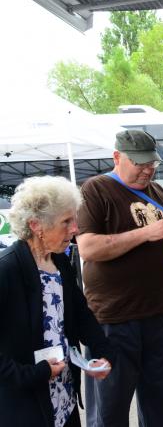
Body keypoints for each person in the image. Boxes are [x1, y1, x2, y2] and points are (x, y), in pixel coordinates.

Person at [76, 129, 163, 426]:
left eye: (152, 164)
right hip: (114, 320)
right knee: (109, 411)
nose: (147, 170)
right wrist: (147, 232)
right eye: (140, 163)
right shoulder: (95, 189)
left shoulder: (159, 192)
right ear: (117, 157)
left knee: (162, 408)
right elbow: (88, 247)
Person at [0, 176, 113, 427]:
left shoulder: (60, 261)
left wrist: (104, 352)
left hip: (64, 394)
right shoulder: (6, 270)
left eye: (74, 219)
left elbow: (80, 313)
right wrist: (36, 373)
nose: (75, 229)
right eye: (66, 221)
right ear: (36, 225)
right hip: (24, 402)